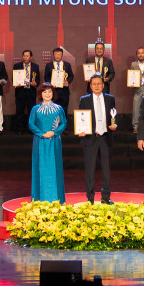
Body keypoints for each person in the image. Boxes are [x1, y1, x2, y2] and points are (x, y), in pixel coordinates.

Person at [77, 74, 118, 204]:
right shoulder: (84, 100)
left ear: (103, 85)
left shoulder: (110, 98)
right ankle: (90, 198)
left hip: (105, 138)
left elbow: (114, 116)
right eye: (94, 84)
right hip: (90, 138)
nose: (96, 86)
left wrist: (114, 125)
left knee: (106, 170)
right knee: (90, 170)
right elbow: (81, 118)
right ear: (90, 86)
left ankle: (106, 197)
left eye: (99, 83)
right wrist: (80, 130)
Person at [29, 82, 67, 202]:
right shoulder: (35, 109)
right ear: (40, 94)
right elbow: (31, 124)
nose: (47, 94)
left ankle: (57, 198)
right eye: (44, 92)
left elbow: (64, 123)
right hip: (40, 141)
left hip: (54, 141)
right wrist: (42, 134)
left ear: (53, 93)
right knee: (39, 167)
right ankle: (39, 199)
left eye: (49, 91)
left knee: (55, 167)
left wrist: (54, 132)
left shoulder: (59, 109)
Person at [43, 47, 74, 119]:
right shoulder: (48, 65)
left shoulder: (67, 65)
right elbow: (46, 77)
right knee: (52, 110)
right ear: (53, 55)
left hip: (64, 91)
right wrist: (50, 84)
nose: (57, 56)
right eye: (56, 54)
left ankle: (63, 125)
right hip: (53, 91)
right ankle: (53, 125)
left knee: (63, 110)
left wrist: (68, 82)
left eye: (59, 54)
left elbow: (71, 75)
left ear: (62, 55)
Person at [13, 50, 38, 134]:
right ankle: (19, 129)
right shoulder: (17, 66)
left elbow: (38, 79)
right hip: (20, 91)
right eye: (24, 56)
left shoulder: (35, 66)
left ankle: (31, 128)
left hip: (31, 92)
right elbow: (14, 78)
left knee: (31, 111)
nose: (25, 57)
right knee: (19, 111)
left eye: (27, 56)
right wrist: (16, 83)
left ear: (30, 57)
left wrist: (36, 83)